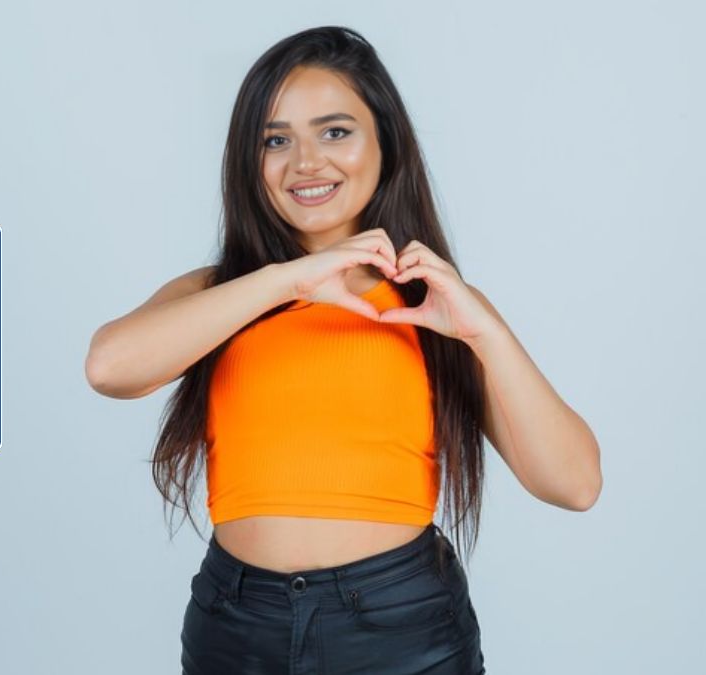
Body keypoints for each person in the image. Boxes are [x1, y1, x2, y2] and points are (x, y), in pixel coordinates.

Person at [84, 25, 602, 674]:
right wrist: (288, 278)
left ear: (386, 141)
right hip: (237, 628)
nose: (306, 162)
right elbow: (108, 366)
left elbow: (575, 483)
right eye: (276, 139)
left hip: (400, 627)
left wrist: (486, 332)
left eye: (335, 131)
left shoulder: (435, 304)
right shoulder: (218, 295)